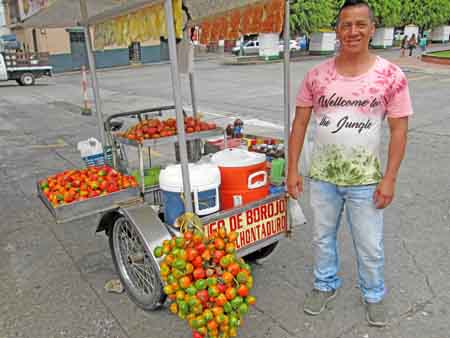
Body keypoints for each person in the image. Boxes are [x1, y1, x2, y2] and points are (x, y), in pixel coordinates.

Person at [287, 0, 413, 327]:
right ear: (337, 30)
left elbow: (399, 130)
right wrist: (292, 170)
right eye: (346, 25)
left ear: (372, 28)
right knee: (321, 236)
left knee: (369, 244)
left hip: (366, 180)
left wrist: (390, 178)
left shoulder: (391, 76)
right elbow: (299, 124)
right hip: (322, 178)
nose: (353, 31)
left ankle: (374, 294)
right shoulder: (316, 76)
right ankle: (324, 284)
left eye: (360, 24)